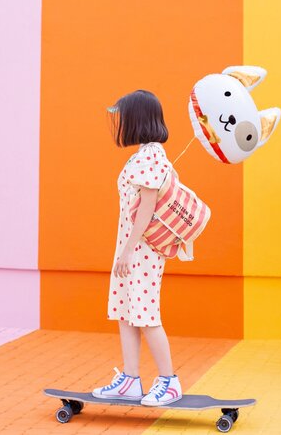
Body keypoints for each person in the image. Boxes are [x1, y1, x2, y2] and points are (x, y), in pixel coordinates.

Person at [92, 89, 182, 406]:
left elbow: (146, 207)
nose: (122, 123)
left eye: (126, 117)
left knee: (145, 314)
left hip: (141, 251)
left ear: (138, 119)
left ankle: (169, 382)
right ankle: (130, 380)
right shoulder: (145, 154)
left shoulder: (151, 156)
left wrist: (128, 250)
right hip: (131, 249)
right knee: (126, 311)